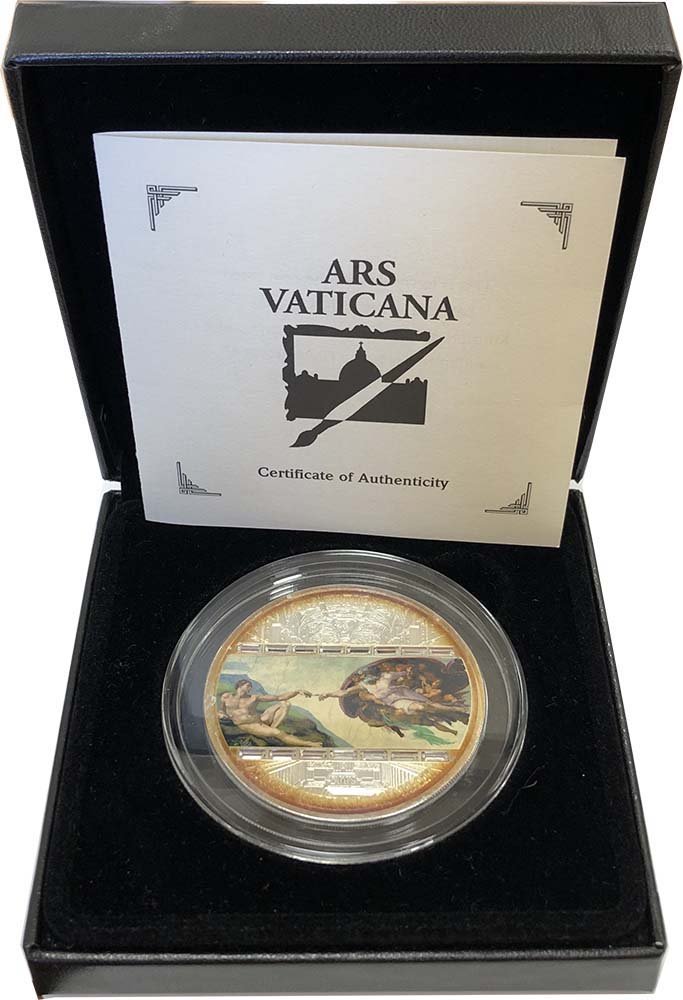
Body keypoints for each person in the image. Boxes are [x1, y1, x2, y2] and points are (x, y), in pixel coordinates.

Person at [219, 679, 318, 747]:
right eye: (248, 686)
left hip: (261, 719)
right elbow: (222, 711)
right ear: (240, 686)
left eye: (250, 687)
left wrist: (296, 692)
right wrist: (222, 715)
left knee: (285, 704)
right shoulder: (226, 697)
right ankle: (309, 744)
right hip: (249, 725)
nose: (250, 688)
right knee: (278, 733)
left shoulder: (254, 698)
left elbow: (279, 697)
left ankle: (272, 728)